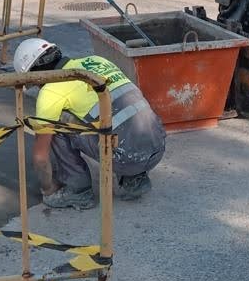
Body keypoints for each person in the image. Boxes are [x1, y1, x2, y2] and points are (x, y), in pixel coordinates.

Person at [13, 37, 166, 210]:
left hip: (127, 159)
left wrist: (48, 188)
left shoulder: (51, 91)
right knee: (118, 120)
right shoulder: (96, 61)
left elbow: (40, 157)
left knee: (54, 122)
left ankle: (78, 192)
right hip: (158, 147)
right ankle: (134, 179)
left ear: (35, 74)